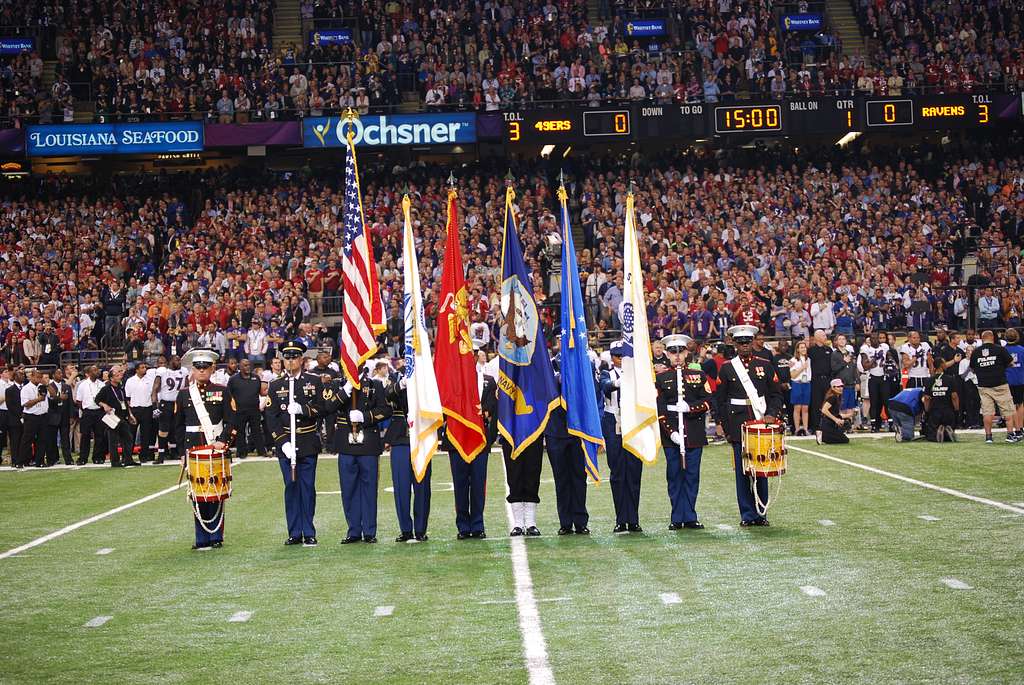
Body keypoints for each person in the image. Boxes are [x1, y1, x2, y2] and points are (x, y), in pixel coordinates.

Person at [715, 325, 783, 527]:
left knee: (761, 468)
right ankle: (747, 513)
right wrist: (724, 427)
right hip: (737, 424)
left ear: (753, 342)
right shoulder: (727, 367)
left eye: (747, 342)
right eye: (740, 342)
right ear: (734, 343)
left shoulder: (765, 364)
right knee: (742, 472)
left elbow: (776, 394)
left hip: (761, 421)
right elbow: (721, 400)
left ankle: (761, 512)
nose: (744, 346)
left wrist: (771, 414)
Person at [174, 348, 238, 550]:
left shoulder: (222, 390)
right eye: (198, 367)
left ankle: (216, 536)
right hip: (193, 448)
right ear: (192, 369)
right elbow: (178, 426)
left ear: (212, 369)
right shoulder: (184, 394)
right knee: (198, 493)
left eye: (205, 367)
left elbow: (232, 421)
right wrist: (182, 453)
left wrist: (223, 441)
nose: (201, 371)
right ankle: (201, 538)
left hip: (215, 447)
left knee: (216, 493)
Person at [266, 340, 328, 546]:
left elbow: (322, 408)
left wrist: (303, 410)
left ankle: (309, 531)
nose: (290, 361)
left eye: (294, 357)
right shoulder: (276, 385)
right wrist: (282, 442)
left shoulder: (314, 381)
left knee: (307, 488)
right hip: (286, 444)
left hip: (307, 441)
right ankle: (294, 532)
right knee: (291, 488)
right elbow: (271, 417)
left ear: (301, 359)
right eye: (287, 358)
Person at [657, 334, 713, 530]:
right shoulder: (661, 378)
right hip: (671, 435)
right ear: (667, 354)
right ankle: (676, 516)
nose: (677, 356)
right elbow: (659, 409)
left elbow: (708, 401)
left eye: (681, 351)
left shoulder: (699, 375)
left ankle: (689, 516)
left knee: (691, 475)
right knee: (674, 475)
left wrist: (690, 408)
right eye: (673, 352)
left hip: (694, 432)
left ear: (687, 353)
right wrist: (671, 432)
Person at [334, 367, 392, 544]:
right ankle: (353, 530)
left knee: (369, 489)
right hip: (346, 443)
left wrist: (365, 416)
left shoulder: (375, 385)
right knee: (349, 489)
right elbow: (328, 407)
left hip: (368, 443)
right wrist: (345, 391)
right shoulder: (338, 385)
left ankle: (369, 531)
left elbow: (385, 410)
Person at [448, 367, 497, 540]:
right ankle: (463, 526)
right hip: (457, 439)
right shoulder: (452, 381)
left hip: (480, 439)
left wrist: (489, 438)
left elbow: (492, 408)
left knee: (478, 484)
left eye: (475, 354)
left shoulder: (489, 381)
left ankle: (477, 525)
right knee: (460, 485)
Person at [383, 369, 431, 542]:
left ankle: (420, 529)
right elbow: (387, 395)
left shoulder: (427, 374)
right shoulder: (396, 376)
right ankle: (405, 529)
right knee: (401, 487)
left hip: (422, 435)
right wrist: (401, 385)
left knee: (422, 487)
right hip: (400, 437)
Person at [600, 341, 642, 532]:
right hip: (614, 423)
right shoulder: (606, 373)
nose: (621, 360)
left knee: (633, 472)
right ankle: (620, 518)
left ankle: (633, 518)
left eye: (624, 357)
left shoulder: (637, 375)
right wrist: (620, 381)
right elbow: (605, 387)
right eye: (618, 356)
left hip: (633, 424)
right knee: (617, 473)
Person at [545, 365, 590, 536]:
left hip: (577, 431)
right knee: (561, 480)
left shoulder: (581, 366)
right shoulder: (548, 370)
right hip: (555, 432)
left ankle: (580, 521)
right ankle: (565, 522)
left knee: (579, 478)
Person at [969, 331, 1019, 444]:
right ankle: (1010, 435)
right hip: (1000, 384)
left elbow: (972, 368)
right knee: (1007, 410)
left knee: (987, 412)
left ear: (982, 338)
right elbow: (1011, 363)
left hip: (984, 386)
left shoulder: (976, 352)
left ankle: (988, 437)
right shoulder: (1000, 349)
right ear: (992, 337)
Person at [96, 366, 140, 467]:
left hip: (122, 416)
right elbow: (97, 399)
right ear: (111, 378)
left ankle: (128, 459)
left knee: (128, 437)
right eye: (117, 375)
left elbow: (124, 402)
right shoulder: (106, 389)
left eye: (120, 374)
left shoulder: (120, 388)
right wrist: (104, 405)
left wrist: (130, 415)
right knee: (113, 440)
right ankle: (115, 461)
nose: (120, 376)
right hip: (112, 417)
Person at [228, 358, 266, 459]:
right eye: (245, 365)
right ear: (240, 367)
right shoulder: (233, 379)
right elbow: (229, 395)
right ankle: (241, 452)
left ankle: (261, 451)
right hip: (240, 411)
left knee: (257, 431)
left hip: (254, 410)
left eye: (249, 365)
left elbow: (260, 393)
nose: (248, 367)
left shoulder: (256, 378)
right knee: (240, 432)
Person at [923, 349, 962, 442]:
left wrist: (927, 411)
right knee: (950, 427)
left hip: (935, 411)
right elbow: (954, 396)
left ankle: (938, 432)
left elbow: (927, 398)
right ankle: (947, 432)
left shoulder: (929, 380)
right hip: (948, 411)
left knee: (931, 436)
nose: (945, 364)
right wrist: (956, 410)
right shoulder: (950, 379)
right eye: (944, 363)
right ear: (941, 365)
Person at [153, 356, 187, 463]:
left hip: (178, 403)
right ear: (170, 361)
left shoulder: (184, 371)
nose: (179, 362)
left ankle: (177, 452)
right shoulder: (162, 371)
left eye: (180, 360)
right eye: (177, 360)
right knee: (163, 430)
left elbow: (187, 388)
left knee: (178, 429)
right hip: (166, 403)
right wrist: (155, 406)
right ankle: (161, 455)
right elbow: (154, 389)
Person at [20, 368, 52, 468]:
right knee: (27, 440)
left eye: (40, 377)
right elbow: (26, 404)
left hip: (43, 417)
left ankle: (40, 462)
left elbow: (54, 395)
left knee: (42, 440)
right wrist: (38, 399)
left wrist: (46, 384)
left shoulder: (42, 387)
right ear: (31, 377)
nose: (39, 379)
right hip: (31, 417)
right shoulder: (26, 388)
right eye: (37, 377)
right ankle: (20, 461)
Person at [125, 362, 157, 462]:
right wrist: (129, 413)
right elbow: (127, 398)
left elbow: (153, 394)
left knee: (146, 434)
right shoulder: (130, 381)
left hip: (147, 409)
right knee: (131, 434)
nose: (145, 369)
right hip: (134, 409)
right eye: (142, 368)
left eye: (145, 367)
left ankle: (144, 456)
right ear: (137, 370)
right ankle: (127, 456)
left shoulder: (150, 380)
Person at [859, 331, 890, 432]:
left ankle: (890, 423)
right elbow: (865, 366)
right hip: (872, 377)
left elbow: (889, 359)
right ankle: (873, 424)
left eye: (876, 338)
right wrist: (874, 359)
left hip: (884, 377)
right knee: (874, 402)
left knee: (886, 402)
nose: (874, 340)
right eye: (872, 338)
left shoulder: (884, 347)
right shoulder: (866, 349)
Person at [74, 365, 106, 464]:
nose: (97, 372)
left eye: (97, 370)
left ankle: (97, 457)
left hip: (99, 411)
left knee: (99, 436)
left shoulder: (102, 384)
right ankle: (83, 458)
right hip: (87, 412)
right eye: (95, 370)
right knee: (85, 436)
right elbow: (79, 401)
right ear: (89, 373)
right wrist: (84, 409)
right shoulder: (82, 385)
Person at [45, 368, 73, 465]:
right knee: (52, 439)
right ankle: (53, 459)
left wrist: (71, 416)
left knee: (65, 439)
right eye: (58, 373)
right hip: (53, 415)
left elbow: (70, 402)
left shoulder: (66, 386)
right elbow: (48, 400)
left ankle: (68, 459)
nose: (61, 374)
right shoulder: (49, 386)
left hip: (64, 416)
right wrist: (58, 397)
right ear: (53, 375)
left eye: (61, 373)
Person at [807, 330, 833, 431]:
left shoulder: (829, 350)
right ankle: (815, 426)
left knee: (827, 402)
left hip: (827, 379)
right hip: (815, 380)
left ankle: (828, 425)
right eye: (823, 335)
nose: (825, 337)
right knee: (816, 403)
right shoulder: (811, 351)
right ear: (817, 337)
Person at [789, 340, 811, 435]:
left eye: (804, 347)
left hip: (807, 383)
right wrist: (802, 368)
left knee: (805, 408)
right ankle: (797, 429)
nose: (804, 349)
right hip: (797, 384)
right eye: (801, 347)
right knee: (797, 407)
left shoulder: (808, 359)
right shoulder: (793, 360)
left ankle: (805, 429)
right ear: (797, 349)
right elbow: (793, 375)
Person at [1005, 329, 1024, 437]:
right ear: (1017, 337)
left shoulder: (1002, 350)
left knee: (1010, 406)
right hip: (1020, 380)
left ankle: (1014, 428)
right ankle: (1020, 427)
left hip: (1007, 380)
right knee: (1020, 404)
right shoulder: (1022, 349)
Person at [817, 379, 849, 444]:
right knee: (844, 440)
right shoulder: (833, 397)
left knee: (846, 425)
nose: (840, 388)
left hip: (830, 424)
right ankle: (823, 436)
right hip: (827, 424)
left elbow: (835, 413)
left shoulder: (837, 397)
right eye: (838, 387)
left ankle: (824, 436)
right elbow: (824, 410)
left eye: (841, 386)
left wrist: (850, 415)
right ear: (833, 388)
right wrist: (836, 420)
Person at [5, 369, 23, 467]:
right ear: (15, 377)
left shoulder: (25, 388)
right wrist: (20, 415)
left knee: (24, 441)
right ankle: (15, 460)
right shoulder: (9, 390)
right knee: (15, 441)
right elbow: (10, 406)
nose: (22, 376)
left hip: (26, 418)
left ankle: (24, 459)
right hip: (14, 419)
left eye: (23, 375)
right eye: (20, 375)